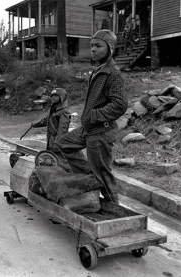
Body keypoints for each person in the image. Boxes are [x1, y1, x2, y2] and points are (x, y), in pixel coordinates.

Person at [56, 29, 128, 204]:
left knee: (103, 172)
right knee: (64, 144)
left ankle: (115, 209)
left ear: (110, 48)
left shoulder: (113, 74)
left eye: (98, 46)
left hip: (101, 131)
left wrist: (95, 115)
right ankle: (91, 177)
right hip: (89, 128)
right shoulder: (99, 70)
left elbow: (120, 104)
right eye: (91, 46)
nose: (93, 49)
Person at [31, 88, 72, 171]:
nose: (53, 97)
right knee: (52, 160)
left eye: (56, 96)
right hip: (50, 140)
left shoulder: (64, 112)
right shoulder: (52, 109)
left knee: (61, 161)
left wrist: (57, 143)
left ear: (62, 97)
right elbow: (47, 120)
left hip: (58, 141)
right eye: (52, 96)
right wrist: (36, 124)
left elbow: (62, 130)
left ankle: (69, 175)